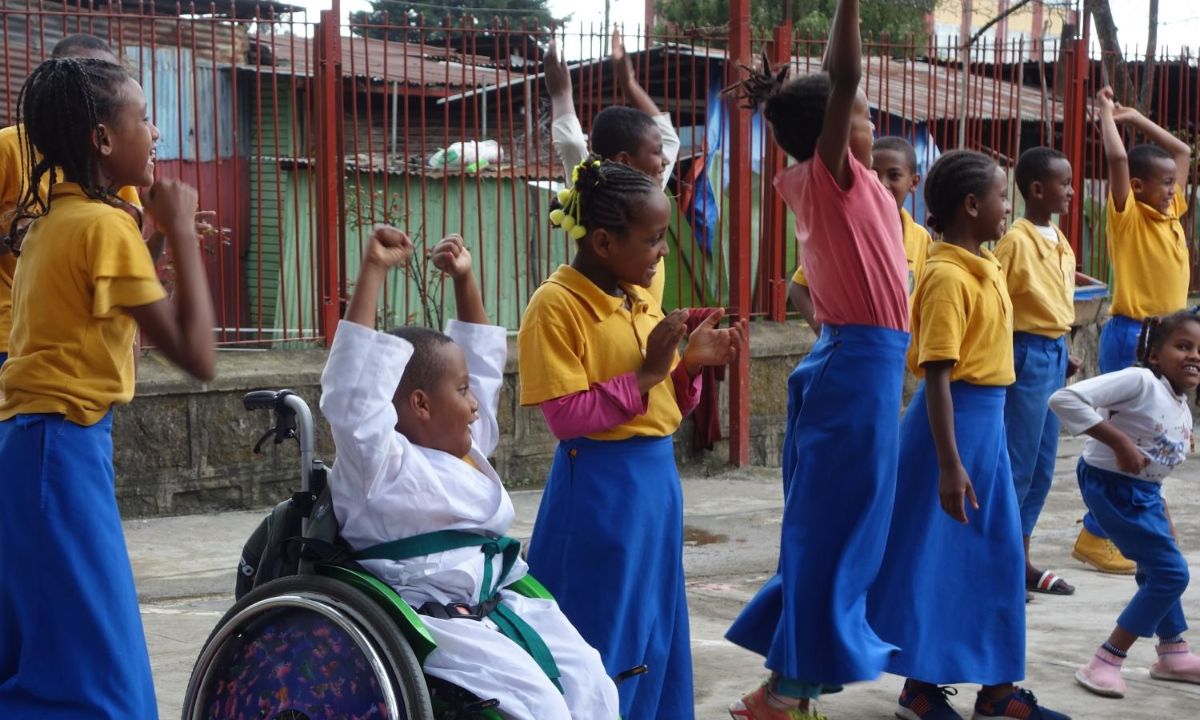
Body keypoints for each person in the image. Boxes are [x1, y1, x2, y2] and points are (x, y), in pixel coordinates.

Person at [320, 227, 618, 720]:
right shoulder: (378, 462)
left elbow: (480, 363)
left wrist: (465, 280)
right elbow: (353, 393)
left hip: (497, 601)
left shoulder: (465, 448)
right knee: (538, 707)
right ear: (419, 405)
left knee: (593, 685)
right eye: (462, 393)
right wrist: (373, 269)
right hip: (431, 620)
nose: (476, 405)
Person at [0, 57, 215, 718]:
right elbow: (199, 356)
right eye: (144, 118)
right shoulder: (102, 228)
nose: (156, 133)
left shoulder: (55, 224)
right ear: (101, 139)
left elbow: (111, 313)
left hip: (36, 446)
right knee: (94, 669)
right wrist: (179, 226)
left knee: (46, 650)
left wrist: (153, 239)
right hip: (58, 452)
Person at [722, 1, 912, 717]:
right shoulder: (827, 178)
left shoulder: (853, 184)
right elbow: (843, 74)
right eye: (860, 113)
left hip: (862, 365)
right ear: (836, 125)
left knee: (843, 530)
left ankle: (786, 689)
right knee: (834, 532)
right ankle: (784, 692)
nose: (868, 120)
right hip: (855, 367)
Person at [518, 159, 746, 719]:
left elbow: (662, 402)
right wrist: (647, 372)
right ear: (602, 240)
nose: (663, 251)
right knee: (603, 629)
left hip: (655, 484)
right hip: (601, 489)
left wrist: (689, 366)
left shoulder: (636, 295)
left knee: (655, 626)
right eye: (653, 240)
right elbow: (566, 416)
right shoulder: (556, 306)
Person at [867, 150, 1070, 720]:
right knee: (935, 561)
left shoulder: (983, 264)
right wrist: (950, 464)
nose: (1009, 207)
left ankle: (998, 693)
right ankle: (920, 688)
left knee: (997, 558)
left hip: (986, 429)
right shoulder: (946, 276)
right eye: (1002, 197)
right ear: (972, 205)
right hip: (951, 433)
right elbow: (938, 375)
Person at [1051, 310, 1200, 699]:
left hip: (1143, 495)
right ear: (1154, 354)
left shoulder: (1181, 407)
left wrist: (1162, 511)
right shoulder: (1139, 380)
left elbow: (1156, 470)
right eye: (1183, 346)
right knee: (1171, 574)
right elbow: (1064, 399)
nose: (1194, 356)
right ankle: (1106, 659)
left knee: (1159, 567)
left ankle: (1173, 652)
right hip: (1110, 486)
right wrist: (1118, 441)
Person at [1080, 85, 1192, 574]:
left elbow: (1183, 151)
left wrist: (1136, 116)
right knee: (1122, 436)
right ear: (1140, 188)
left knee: (1155, 437)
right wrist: (1107, 115)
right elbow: (1117, 159)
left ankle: (1110, 529)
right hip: (1133, 335)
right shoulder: (1129, 217)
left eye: (1174, 183)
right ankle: (1095, 533)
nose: (1172, 189)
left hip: (1165, 338)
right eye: (1164, 183)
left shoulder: (1171, 215)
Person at [0, 34, 146, 369]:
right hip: (10, 335)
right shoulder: (8, 148)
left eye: (107, 76)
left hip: (79, 348)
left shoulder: (112, 167)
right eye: (84, 74)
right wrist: (20, 237)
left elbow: (124, 266)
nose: (98, 86)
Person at [993, 147, 1082, 597]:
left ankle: (1021, 558)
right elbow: (999, 301)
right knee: (1018, 464)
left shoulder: (1059, 240)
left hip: (1054, 352)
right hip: (1024, 354)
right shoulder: (1017, 240)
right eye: (1063, 184)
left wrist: (1064, 347)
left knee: (1044, 466)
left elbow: (1056, 300)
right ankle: (1000, 563)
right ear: (1036, 189)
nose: (1071, 191)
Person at [545, 27, 679, 303]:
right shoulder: (592, 187)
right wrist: (560, 94)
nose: (665, 159)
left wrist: (629, 82)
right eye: (656, 152)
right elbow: (571, 143)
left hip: (645, 328)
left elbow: (668, 137)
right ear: (625, 161)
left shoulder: (651, 188)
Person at [788, 135, 932, 335]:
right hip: (853, 350)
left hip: (896, 355)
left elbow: (924, 296)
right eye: (872, 174)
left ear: (913, 182)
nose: (882, 183)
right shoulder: (851, 231)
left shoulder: (921, 238)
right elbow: (798, 287)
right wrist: (823, 331)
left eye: (894, 175)